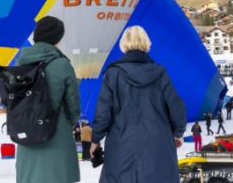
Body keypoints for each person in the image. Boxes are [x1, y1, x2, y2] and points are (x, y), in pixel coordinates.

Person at [91, 26, 186, 183]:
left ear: (123, 44)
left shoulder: (113, 74)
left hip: (121, 145)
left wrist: (95, 140)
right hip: (157, 144)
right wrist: (178, 133)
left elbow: (103, 113)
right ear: (146, 44)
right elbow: (177, 107)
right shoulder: (159, 72)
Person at [14, 16, 81, 183]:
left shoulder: (19, 65)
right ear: (57, 38)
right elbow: (74, 107)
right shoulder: (62, 65)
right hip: (57, 136)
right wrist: (67, 124)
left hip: (26, 139)